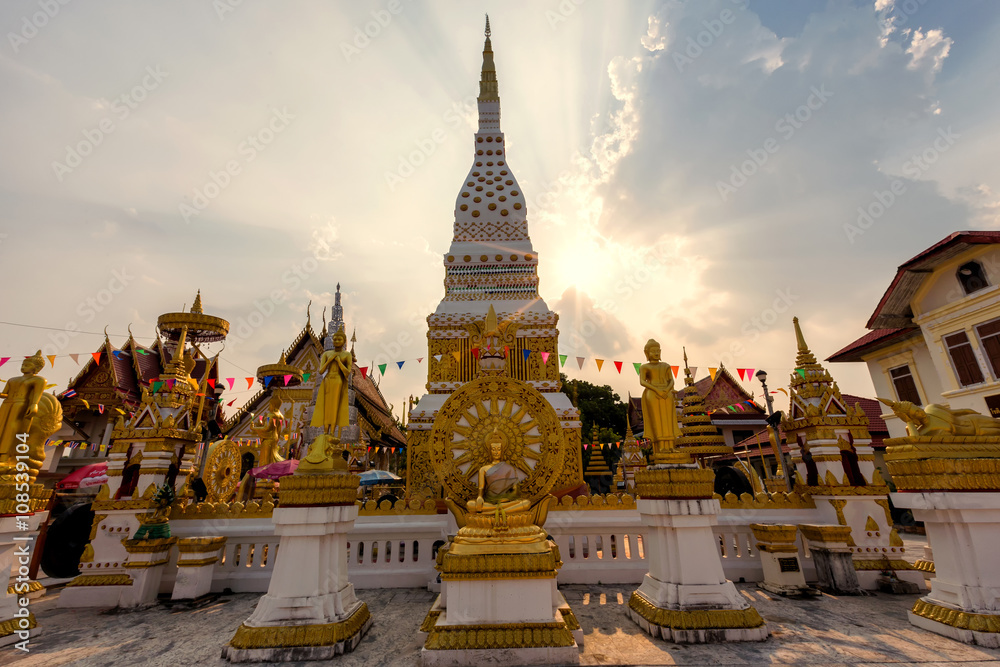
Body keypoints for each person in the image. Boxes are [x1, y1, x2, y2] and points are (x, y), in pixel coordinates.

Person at [0, 351, 47, 460]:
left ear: (37, 368)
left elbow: (37, 394)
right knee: (1, 427)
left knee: (12, 430)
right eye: (23, 365)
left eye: (27, 365)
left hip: (20, 405)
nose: (23, 367)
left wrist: (34, 404)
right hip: (7, 404)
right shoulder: (12, 380)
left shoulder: (39, 380)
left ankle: (6, 455)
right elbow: (5, 394)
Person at [310, 327, 352, 438]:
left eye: (339, 339)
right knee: (326, 407)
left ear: (344, 341)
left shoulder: (346, 355)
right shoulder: (326, 354)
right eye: (335, 339)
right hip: (327, 380)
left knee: (334, 407)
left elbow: (347, 372)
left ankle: (332, 432)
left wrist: (338, 361)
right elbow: (321, 371)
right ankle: (325, 431)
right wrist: (329, 360)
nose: (336, 341)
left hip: (338, 380)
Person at [639, 339, 677, 454]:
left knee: (668, 420)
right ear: (647, 353)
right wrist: (657, 390)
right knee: (657, 419)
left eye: (658, 351)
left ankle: (670, 446)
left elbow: (671, 381)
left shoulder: (666, 366)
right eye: (653, 351)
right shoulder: (645, 367)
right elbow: (642, 382)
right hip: (653, 393)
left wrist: (667, 389)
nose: (656, 353)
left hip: (667, 393)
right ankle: (660, 447)